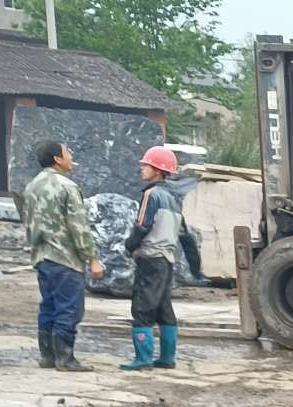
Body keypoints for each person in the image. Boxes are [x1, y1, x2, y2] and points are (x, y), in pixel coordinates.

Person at [22, 141, 104, 370]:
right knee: (69, 308)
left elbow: (27, 222)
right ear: (57, 159)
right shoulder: (67, 187)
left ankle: (47, 356)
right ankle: (65, 358)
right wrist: (92, 257)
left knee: (48, 306)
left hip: (42, 257)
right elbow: (78, 226)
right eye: (68, 153)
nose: (71, 157)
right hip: (65, 258)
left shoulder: (31, 186)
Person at [122, 146, 197, 370]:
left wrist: (129, 246)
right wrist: (196, 266)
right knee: (164, 308)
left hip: (150, 258)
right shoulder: (174, 198)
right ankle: (167, 357)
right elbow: (185, 235)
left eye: (146, 165)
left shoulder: (151, 194)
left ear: (158, 170)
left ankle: (143, 359)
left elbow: (142, 225)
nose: (142, 169)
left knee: (142, 309)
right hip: (166, 260)